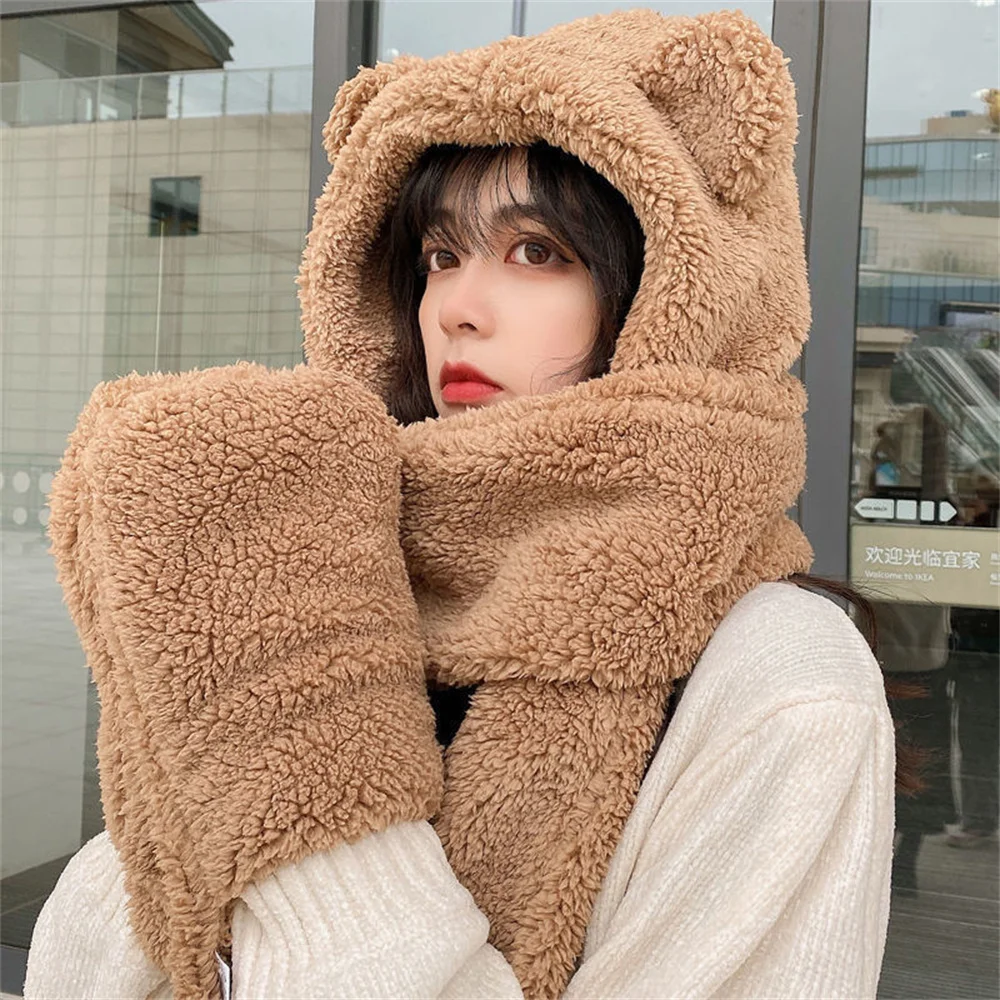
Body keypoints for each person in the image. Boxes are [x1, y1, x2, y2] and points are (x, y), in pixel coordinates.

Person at [26, 10, 903, 1000]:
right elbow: (91, 953)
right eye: (440, 256)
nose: (456, 308)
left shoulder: (783, 684)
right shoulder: (319, 568)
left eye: (537, 252)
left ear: (671, 290)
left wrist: (314, 791)